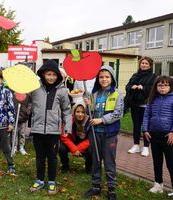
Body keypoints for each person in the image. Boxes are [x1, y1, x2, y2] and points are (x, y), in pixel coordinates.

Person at [29, 60, 72, 195]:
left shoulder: (62, 91)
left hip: (53, 131)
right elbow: (24, 101)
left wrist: (68, 126)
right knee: (40, 157)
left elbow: (66, 110)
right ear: (43, 74)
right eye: (48, 74)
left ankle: (52, 181)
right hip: (37, 129)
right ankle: (40, 179)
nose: (51, 77)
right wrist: (20, 94)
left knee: (52, 157)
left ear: (58, 76)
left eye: (54, 75)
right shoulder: (34, 88)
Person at [83, 65, 124, 200]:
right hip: (94, 133)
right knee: (95, 160)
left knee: (109, 162)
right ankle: (96, 186)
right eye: (101, 77)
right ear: (97, 79)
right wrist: (88, 105)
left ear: (112, 78)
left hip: (109, 134)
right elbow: (91, 112)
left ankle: (111, 189)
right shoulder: (94, 94)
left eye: (107, 77)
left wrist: (102, 120)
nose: (104, 79)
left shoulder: (117, 94)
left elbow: (118, 113)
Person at [142, 76, 173, 196]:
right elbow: (146, 116)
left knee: (171, 163)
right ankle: (158, 184)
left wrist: (172, 132)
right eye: (160, 85)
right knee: (157, 161)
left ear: (170, 87)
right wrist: (145, 129)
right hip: (154, 135)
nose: (162, 88)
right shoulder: (152, 99)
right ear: (156, 87)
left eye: (165, 85)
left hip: (168, 137)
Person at [125, 56, 156, 156]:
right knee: (136, 126)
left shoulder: (153, 77)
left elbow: (153, 89)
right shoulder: (135, 75)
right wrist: (132, 87)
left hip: (146, 105)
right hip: (135, 105)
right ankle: (136, 145)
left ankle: (146, 146)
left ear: (150, 65)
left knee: (146, 127)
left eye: (146, 63)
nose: (144, 65)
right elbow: (127, 86)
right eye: (142, 63)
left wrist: (143, 87)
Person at [59, 102, 92, 174]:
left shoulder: (89, 121)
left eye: (83, 112)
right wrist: (74, 149)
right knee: (61, 147)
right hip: (72, 142)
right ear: (74, 112)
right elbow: (64, 137)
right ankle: (65, 166)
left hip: (84, 144)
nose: (80, 114)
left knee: (92, 149)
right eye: (78, 112)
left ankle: (89, 167)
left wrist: (78, 149)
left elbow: (90, 139)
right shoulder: (69, 120)